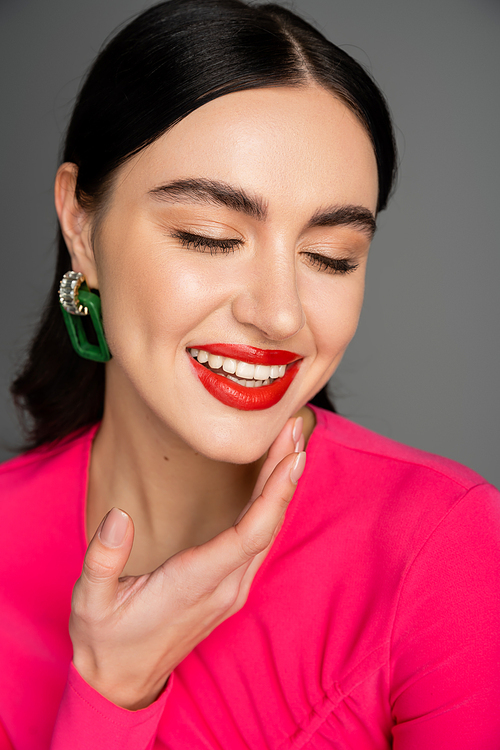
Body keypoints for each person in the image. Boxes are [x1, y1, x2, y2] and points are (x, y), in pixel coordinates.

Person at [1, 0, 499, 747]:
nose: (280, 315)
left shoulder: (446, 550)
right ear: (81, 225)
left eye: (330, 256)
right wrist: (111, 693)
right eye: (210, 237)